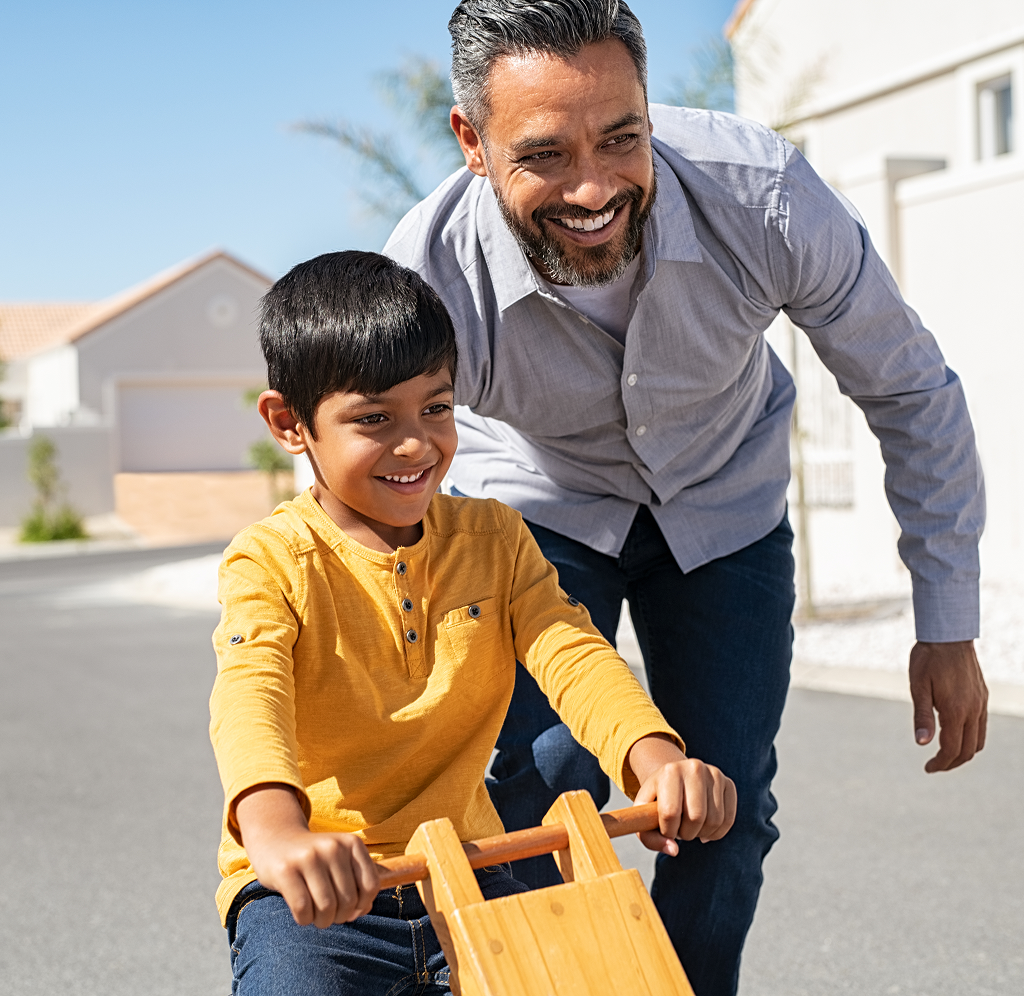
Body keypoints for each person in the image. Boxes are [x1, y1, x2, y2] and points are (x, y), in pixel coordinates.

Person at [383, 1, 989, 992]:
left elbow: (907, 386)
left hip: (724, 499)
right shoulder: (428, 280)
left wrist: (946, 620)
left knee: (728, 803)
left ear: (649, 108)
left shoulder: (763, 198)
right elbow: (370, 491)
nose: (593, 188)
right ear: (471, 142)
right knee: (537, 782)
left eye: (621, 137)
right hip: (538, 508)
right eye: (544, 154)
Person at [208, 249, 737, 996]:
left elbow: (573, 653)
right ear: (290, 423)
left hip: (470, 867)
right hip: (319, 898)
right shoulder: (270, 561)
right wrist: (274, 832)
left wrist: (656, 761)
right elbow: (248, 695)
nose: (416, 443)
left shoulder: (493, 539)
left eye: (435, 406)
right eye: (373, 419)